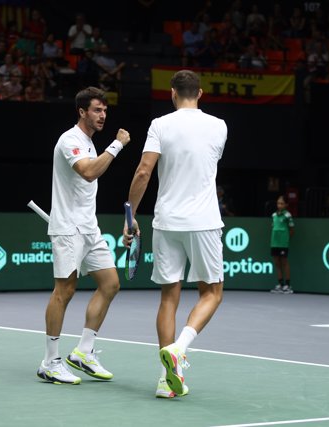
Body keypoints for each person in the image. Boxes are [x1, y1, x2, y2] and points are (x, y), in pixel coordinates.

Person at [122, 70, 227, 399]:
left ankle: (166, 379)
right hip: (204, 221)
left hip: (166, 221)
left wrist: (130, 215)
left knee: (169, 297)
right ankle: (179, 349)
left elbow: (143, 171)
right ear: (200, 93)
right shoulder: (219, 126)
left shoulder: (160, 124)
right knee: (212, 292)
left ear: (172, 93)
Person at [36, 86, 131, 385]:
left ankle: (83, 352)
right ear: (82, 112)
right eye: (96, 110)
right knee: (64, 290)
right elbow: (88, 172)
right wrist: (117, 145)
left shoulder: (89, 143)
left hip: (90, 228)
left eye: (105, 110)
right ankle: (50, 361)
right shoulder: (70, 140)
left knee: (111, 283)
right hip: (68, 229)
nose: (102, 115)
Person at [269, 195, 295, 294]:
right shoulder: (274, 215)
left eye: (281, 203)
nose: (279, 205)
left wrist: (286, 239)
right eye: (278, 203)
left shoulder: (288, 215)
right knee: (277, 263)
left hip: (283, 243)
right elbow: (273, 227)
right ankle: (280, 284)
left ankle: (287, 285)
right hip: (274, 243)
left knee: (284, 263)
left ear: (286, 205)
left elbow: (292, 230)